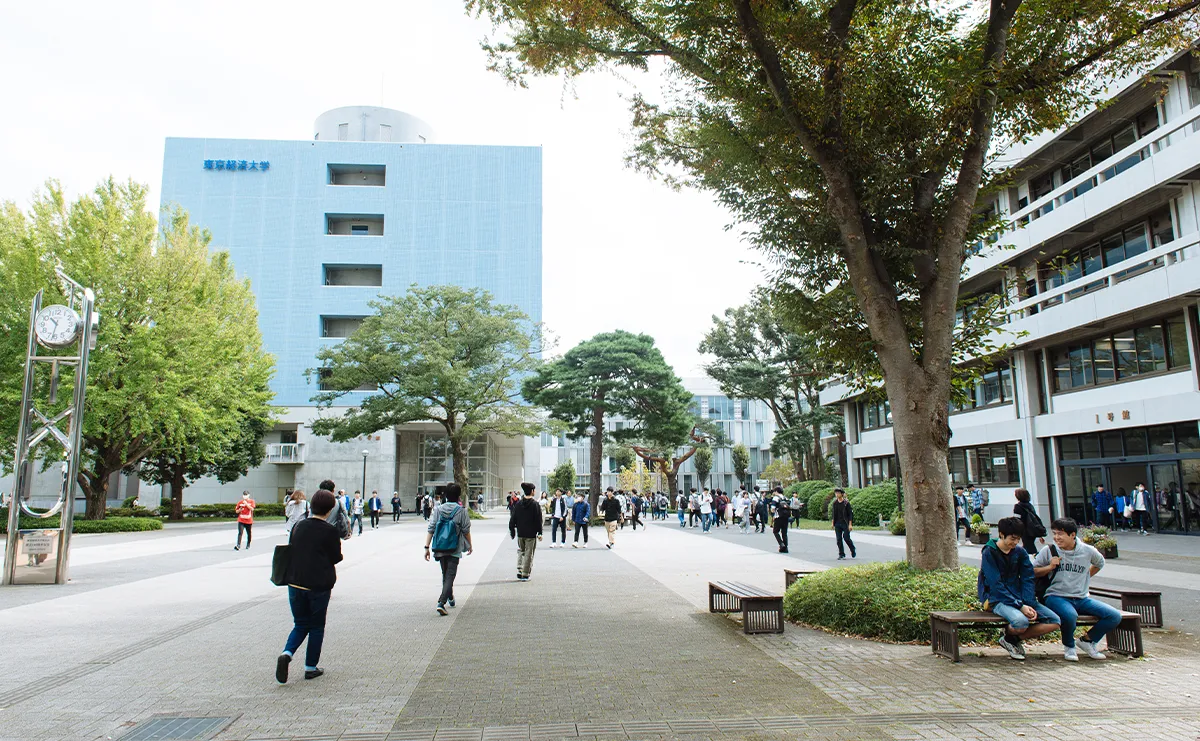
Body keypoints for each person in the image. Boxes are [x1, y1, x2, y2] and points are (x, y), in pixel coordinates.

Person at [276, 489, 343, 684]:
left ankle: (287, 653)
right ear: (330, 509)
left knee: (300, 623)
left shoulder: (299, 526)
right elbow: (336, 557)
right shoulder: (330, 531)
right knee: (316, 626)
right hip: (318, 585)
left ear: (311, 506)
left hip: (295, 582)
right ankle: (310, 667)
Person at [1033, 517, 1122, 661]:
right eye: (1054, 533)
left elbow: (1100, 563)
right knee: (1070, 615)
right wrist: (1049, 567)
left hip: (1081, 598)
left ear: (1072, 535)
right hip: (1055, 596)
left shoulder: (1087, 551)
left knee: (1114, 616)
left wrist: (1086, 577)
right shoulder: (1049, 551)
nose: (1056, 537)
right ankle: (1069, 646)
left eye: (1060, 534)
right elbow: (1033, 571)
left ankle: (1088, 641)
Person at [978, 516, 1060, 660]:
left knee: (1054, 621)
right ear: (1001, 534)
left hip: (1019, 597)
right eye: (1013, 538)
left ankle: (1011, 639)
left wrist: (1028, 603)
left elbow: (1028, 577)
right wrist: (1020, 606)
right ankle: (1010, 635)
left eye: (1018, 539)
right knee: (1021, 622)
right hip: (996, 599)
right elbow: (995, 584)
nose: (1015, 542)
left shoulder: (1020, 552)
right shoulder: (989, 552)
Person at [425, 483, 473, 615]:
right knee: (450, 575)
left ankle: (450, 597)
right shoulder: (461, 511)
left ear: (446, 495)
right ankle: (441, 602)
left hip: (440, 547)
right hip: (454, 548)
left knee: (446, 574)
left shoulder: (438, 509)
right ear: (458, 496)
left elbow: (431, 528)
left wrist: (426, 547)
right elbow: (466, 530)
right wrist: (470, 545)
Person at [509, 482, 544, 581]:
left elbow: (513, 518)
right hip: (531, 534)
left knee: (521, 550)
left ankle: (520, 568)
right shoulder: (535, 504)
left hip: (521, 533)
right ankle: (525, 573)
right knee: (529, 553)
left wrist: (512, 530)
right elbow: (538, 520)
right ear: (532, 491)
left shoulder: (519, 504)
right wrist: (540, 532)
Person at [1012, 488, 1046, 555]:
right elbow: (1034, 518)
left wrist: (1016, 530)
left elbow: (1017, 519)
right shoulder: (1030, 506)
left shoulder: (1018, 506)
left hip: (1025, 530)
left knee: (1029, 547)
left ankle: (1034, 557)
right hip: (1032, 529)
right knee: (1028, 545)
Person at [830, 488, 856, 559]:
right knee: (839, 539)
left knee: (846, 538)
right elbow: (834, 514)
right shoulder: (835, 503)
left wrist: (850, 524)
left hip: (845, 523)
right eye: (836, 493)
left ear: (842, 494)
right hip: (837, 523)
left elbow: (850, 514)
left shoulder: (846, 503)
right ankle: (841, 554)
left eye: (838, 493)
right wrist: (833, 523)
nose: (837, 494)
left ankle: (852, 549)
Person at [772, 488, 791, 553]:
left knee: (775, 531)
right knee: (784, 533)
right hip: (786, 517)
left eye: (774, 491)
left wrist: (773, 514)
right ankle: (785, 548)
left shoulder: (775, 498)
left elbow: (773, 508)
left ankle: (781, 543)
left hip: (778, 517)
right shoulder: (786, 498)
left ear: (776, 491)